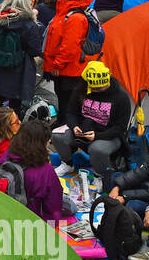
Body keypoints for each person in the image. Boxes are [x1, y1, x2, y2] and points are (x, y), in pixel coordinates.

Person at [51, 61, 132, 190]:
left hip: (109, 136)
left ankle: (98, 175)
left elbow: (120, 127)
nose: (99, 90)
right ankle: (67, 163)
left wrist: (98, 136)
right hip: (84, 130)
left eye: (101, 88)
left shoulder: (121, 98)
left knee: (97, 149)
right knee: (57, 135)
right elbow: (71, 112)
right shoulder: (81, 90)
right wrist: (74, 126)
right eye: (95, 88)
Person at [0, 0, 45, 115]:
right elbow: (34, 50)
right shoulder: (29, 24)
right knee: (15, 105)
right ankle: (11, 131)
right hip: (20, 67)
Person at [42, 0, 94, 120]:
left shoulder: (75, 17)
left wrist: (57, 64)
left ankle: (66, 127)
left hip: (69, 69)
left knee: (68, 102)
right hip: (65, 68)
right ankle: (63, 123)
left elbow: (69, 47)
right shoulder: (65, 13)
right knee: (64, 100)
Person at [3, 118, 64, 222]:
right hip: (28, 223)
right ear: (42, 143)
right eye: (48, 140)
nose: (49, 142)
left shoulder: (6, 156)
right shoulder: (46, 171)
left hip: (2, 215)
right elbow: (53, 208)